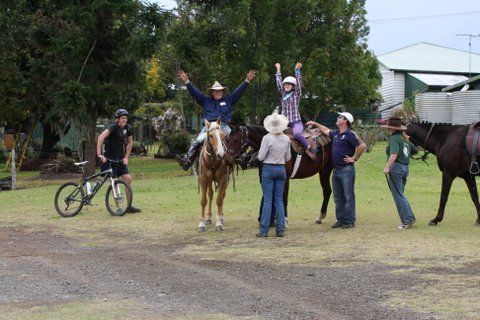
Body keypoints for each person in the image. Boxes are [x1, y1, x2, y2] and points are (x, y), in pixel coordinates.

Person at [175, 69, 256, 170]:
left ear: (222, 92)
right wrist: (187, 81)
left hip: (223, 125)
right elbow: (195, 93)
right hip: (210, 127)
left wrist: (247, 81)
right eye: (216, 91)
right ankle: (187, 160)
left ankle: (241, 159)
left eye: (220, 91)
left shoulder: (229, 100)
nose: (218, 92)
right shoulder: (206, 101)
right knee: (197, 141)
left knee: (235, 139)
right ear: (212, 93)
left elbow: (238, 92)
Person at [307, 112, 366, 229]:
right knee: (338, 197)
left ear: (345, 121)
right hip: (337, 170)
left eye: (340, 117)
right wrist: (315, 123)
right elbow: (325, 130)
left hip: (346, 170)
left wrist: (354, 158)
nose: (337, 118)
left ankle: (349, 221)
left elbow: (362, 146)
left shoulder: (350, 134)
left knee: (348, 196)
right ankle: (341, 220)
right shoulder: (336, 134)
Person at [96, 108, 141, 213]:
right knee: (114, 182)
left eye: (125, 118)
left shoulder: (128, 128)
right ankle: (118, 208)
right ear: (117, 119)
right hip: (110, 159)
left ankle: (129, 206)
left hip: (120, 159)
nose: (124, 120)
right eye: (122, 118)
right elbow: (100, 137)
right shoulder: (113, 127)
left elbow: (130, 143)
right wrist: (99, 154)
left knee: (128, 179)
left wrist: (126, 157)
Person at [257, 111, 291, 237]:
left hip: (268, 169)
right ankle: (280, 229)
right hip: (281, 169)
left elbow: (260, 157)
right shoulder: (286, 138)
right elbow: (288, 158)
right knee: (279, 199)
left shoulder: (267, 138)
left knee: (267, 199)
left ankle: (264, 230)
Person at [382, 116, 418, 229]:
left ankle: (407, 220)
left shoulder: (394, 138)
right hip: (405, 168)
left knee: (398, 195)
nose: (388, 129)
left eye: (389, 127)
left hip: (396, 167)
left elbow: (393, 154)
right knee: (401, 194)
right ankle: (409, 218)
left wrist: (387, 167)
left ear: (393, 128)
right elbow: (415, 151)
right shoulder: (404, 138)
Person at [275, 62, 316, 159]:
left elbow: (299, 85)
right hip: (284, 123)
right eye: (285, 84)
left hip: (295, 122)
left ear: (293, 86)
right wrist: (278, 70)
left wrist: (297, 71)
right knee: (273, 134)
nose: (286, 85)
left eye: (289, 84)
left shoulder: (296, 95)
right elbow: (278, 84)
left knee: (297, 134)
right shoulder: (283, 95)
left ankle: (310, 147)